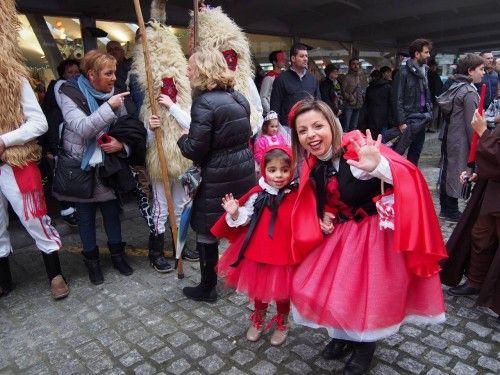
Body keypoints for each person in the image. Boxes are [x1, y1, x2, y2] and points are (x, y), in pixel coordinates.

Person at [288, 98, 446, 374]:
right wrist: (322, 214)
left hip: (373, 234)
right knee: (329, 290)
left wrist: (376, 166)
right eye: (303, 131)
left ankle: (364, 346)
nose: (311, 135)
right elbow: (321, 197)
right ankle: (341, 335)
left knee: (363, 294)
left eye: (317, 126)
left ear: (332, 125)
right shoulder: (314, 163)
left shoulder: (357, 147)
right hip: (341, 233)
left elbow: (405, 175)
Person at [0, 0, 68, 300]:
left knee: (34, 220)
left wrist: (4, 140)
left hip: (14, 162)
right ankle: (4, 281)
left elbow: (39, 123)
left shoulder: (16, 79)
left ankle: (55, 275)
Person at [176, 47, 256, 302]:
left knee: (207, 229)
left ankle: (207, 287)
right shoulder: (238, 97)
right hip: (242, 169)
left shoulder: (204, 103)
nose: (187, 72)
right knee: (238, 222)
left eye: (190, 67)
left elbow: (195, 149)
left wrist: (182, 140)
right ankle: (243, 276)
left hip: (217, 174)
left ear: (202, 70)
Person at [56, 50, 134, 285]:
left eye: (114, 73)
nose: (113, 78)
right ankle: (92, 263)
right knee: (86, 217)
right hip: (81, 166)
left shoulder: (114, 94)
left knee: (112, 213)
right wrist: (109, 106)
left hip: (108, 165)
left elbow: (127, 128)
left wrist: (122, 145)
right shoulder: (68, 92)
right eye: (108, 73)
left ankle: (118, 257)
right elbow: (83, 128)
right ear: (91, 75)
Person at [212, 145, 299, 346]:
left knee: (283, 291)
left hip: (285, 253)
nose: (279, 175)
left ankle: (282, 323)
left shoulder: (295, 193)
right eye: (273, 170)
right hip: (260, 250)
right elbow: (244, 218)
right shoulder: (258, 193)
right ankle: (258, 320)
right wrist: (234, 212)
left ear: (292, 170)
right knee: (260, 288)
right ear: (263, 169)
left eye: (285, 170)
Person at [130, 18, 197, 271]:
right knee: (160, 207)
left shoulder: (181, 85)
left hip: (180, 153)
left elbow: (191, 120)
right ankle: (156, 253)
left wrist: (172, 107)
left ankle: (180, 247)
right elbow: (141, 127)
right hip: (158, 154)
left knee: (181, 204)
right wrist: (150, 125)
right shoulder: (141, 83)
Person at [441, 109, 499, 318]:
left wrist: (483, 133)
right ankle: (475, 281)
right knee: (481, 236)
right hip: (493, 192)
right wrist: (478, 174)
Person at [194, 5, 263, 134]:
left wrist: (251, 131)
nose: (230, 61)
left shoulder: (245, 80)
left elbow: (258, 109)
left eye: (233, 56)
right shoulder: (207, 87)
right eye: (226, 57)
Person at [438, 54, 484, 222]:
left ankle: (447, 208)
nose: (483, 72)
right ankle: (450, 210)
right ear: (470, 71)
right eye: (480, 69)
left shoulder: (456, 86)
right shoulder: (469, 92)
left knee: (448, 171)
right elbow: (472, 123)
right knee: (458, 171)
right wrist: (480, 143)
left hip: (451, 135)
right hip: (461, 139)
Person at [40, 58, 81, 227]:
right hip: (58, 142)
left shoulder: (71, 88)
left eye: (76, 72)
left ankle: (73, 208)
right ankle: (67, 209)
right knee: (63, 176)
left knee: (71, 174)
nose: (74, 75)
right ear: (63, 74)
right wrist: (50, 148)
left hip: (67, 141)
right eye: (70, 72)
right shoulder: (60, 89)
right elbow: (54, 120)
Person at [392, 38, 433, 166]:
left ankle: (411, 178)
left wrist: (429, 113)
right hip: (409, 120)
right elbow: (397, 99)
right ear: (417, 54)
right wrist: (401, 122)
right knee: (399, 152)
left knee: (416, 152)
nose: (429, 55)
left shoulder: (424, 71)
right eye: (426, 52)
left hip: (421, 119)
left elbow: (426, 95)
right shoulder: (403, 73)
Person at [270, 43, 321, 127]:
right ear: (293, 58)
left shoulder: (312, 79)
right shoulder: (281, 79)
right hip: (288, 127)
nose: (305, 59)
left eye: (306, 56)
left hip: (309, 125)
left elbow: (318, 103)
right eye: (302, 56)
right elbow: (275, 106)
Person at [363, 67, 392, 140]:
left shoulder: (369, 88)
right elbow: (391, 103)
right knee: (383, 140)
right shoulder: (388, 87)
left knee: (372, 140)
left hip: (371, 118)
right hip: (384, 118)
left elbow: (366, 104)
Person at [341, 57, 368, 132]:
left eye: (357, 64)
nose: (356, 66)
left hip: (358, 104)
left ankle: (352, 142)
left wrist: (363, 97)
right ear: (350, 65)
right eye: (353, 64)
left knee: (354, 127)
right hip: (349, 104)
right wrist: (350, 98)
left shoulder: (361, 77)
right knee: (346, 126)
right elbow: (343, 92)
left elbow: (364, 88)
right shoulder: (346, 77)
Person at [260, 50, 287, 115]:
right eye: (281, 58)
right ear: (274, 62)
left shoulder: (285, 76)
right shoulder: (269, 78)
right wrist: (271, 113)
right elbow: (263, 97)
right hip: (273, 115)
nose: (284, 61)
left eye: (284, 58)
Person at [427, 59, 444, 132]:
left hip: (436, 98)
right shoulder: (427, 75)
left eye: (435, 66)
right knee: (429, 114)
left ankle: (432, 127)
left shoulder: (436, 75)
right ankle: (429, 127)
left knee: (435, 115)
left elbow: (440, 86)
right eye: (432, 66)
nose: (434, 67)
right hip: (429, 98)